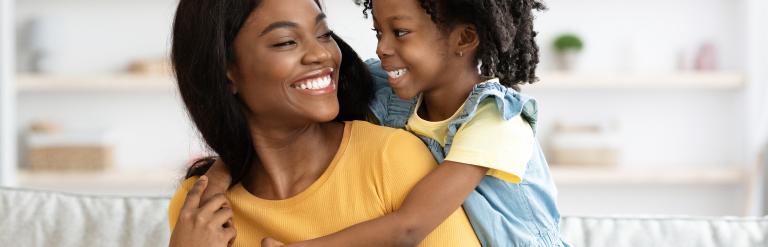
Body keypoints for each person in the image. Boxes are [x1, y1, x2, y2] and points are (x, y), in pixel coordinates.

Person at [204, 0, 570, 246]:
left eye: (400, 32)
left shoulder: (495, 121)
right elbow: (277, 122)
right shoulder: (389, 88)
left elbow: (409, 225)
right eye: (379, 31)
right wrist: (221, 174)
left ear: (464, 38)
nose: (382, 47)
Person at [166, 0, 481, 246]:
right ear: (226, 71)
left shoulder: (390, 159)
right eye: (286, 42)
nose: (321, 54)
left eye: (324, 35)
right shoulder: (199, 208)